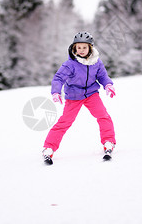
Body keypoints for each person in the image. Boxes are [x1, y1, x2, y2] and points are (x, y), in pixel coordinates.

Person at [42, 32, 116, 164]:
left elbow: (103, 76)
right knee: (65, 122)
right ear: (74, 48)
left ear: (90, 48)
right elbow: (58, 78)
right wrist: (56, 92)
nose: (81, 50)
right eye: (78, 47)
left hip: (92, 94)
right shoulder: (70, 64)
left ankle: (108, 141)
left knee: (103, 116)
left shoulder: (96, 62)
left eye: (84, 47)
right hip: (74, 96)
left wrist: (108, 85)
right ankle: (49, 148)